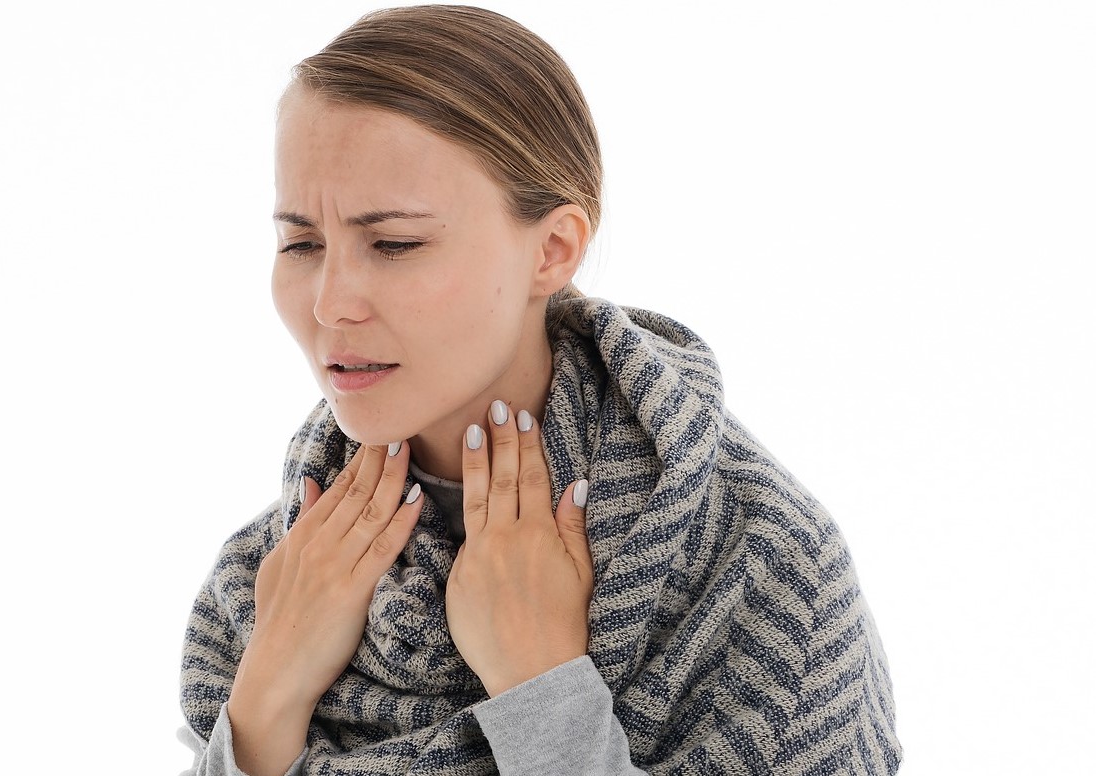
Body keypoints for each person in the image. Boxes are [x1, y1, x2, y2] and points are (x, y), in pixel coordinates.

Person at [179, 5, 901, 774]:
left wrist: (543, 693)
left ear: (552, 250)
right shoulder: (271, 580)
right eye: (301, 243)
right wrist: (262, 706)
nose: (329, 302)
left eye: (394, 244)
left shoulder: (759, 561)